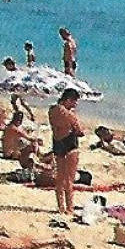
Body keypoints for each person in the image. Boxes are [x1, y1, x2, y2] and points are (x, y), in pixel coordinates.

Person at [48, 87, 85, 217]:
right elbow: (80, 131)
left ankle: (60, 207)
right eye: (74, 101)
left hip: (57, 142)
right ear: (68, 100)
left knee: (59, 178)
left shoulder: (52, 110)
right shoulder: (69, 114)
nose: (75, 104)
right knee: (69, 179)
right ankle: (70, 208)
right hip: (70, 143)